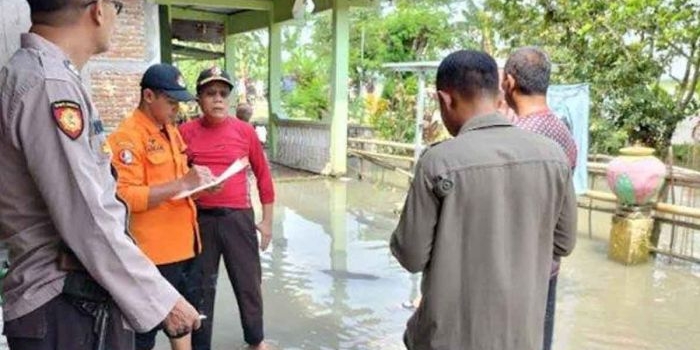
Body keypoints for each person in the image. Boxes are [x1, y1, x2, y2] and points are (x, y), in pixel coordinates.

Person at [0, 1, 201, 349]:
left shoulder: (41, 75)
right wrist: (162, 301)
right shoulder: (50, 84)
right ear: (97, 9)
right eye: (117, 5)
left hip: (66, 302)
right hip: (63, 303)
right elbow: (88, 216)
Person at [390, 50, 577, 350]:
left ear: (445, 99)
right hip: (522, 338)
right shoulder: (553, 156)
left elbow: (410, 255)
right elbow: (564, 243)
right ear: (500, 90)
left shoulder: (438, 162)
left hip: (447, 340)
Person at [107, 63, 214, 350]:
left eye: (179, 103)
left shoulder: (169, 130)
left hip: (187, 248)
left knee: (185, 322)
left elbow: (177, 181)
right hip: (154, 257)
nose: (176, 109)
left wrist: (198, 187)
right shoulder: (127, 138)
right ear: (149, 96)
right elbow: (123, 197)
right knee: (144, 333)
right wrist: (181, 185)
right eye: (171, 102)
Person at [179, 66, 275, 350]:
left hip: (238, 219)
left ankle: (255, 340)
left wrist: (267, 221)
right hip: (199, 221)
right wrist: (195, 189)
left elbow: (264, 177)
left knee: (248, 284)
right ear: (199, 100)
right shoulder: (184, 133)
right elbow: (176, 179)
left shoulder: (245, 132)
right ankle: (200, 346)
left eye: (223, 93)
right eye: (210, 94)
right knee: (199, 288)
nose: (218, 99)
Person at [502, 46, 578, 350]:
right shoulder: (566, 138)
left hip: (506, 270)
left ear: (508, 82)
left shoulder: (507, 139)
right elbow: (563, 226)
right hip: (546, 268)